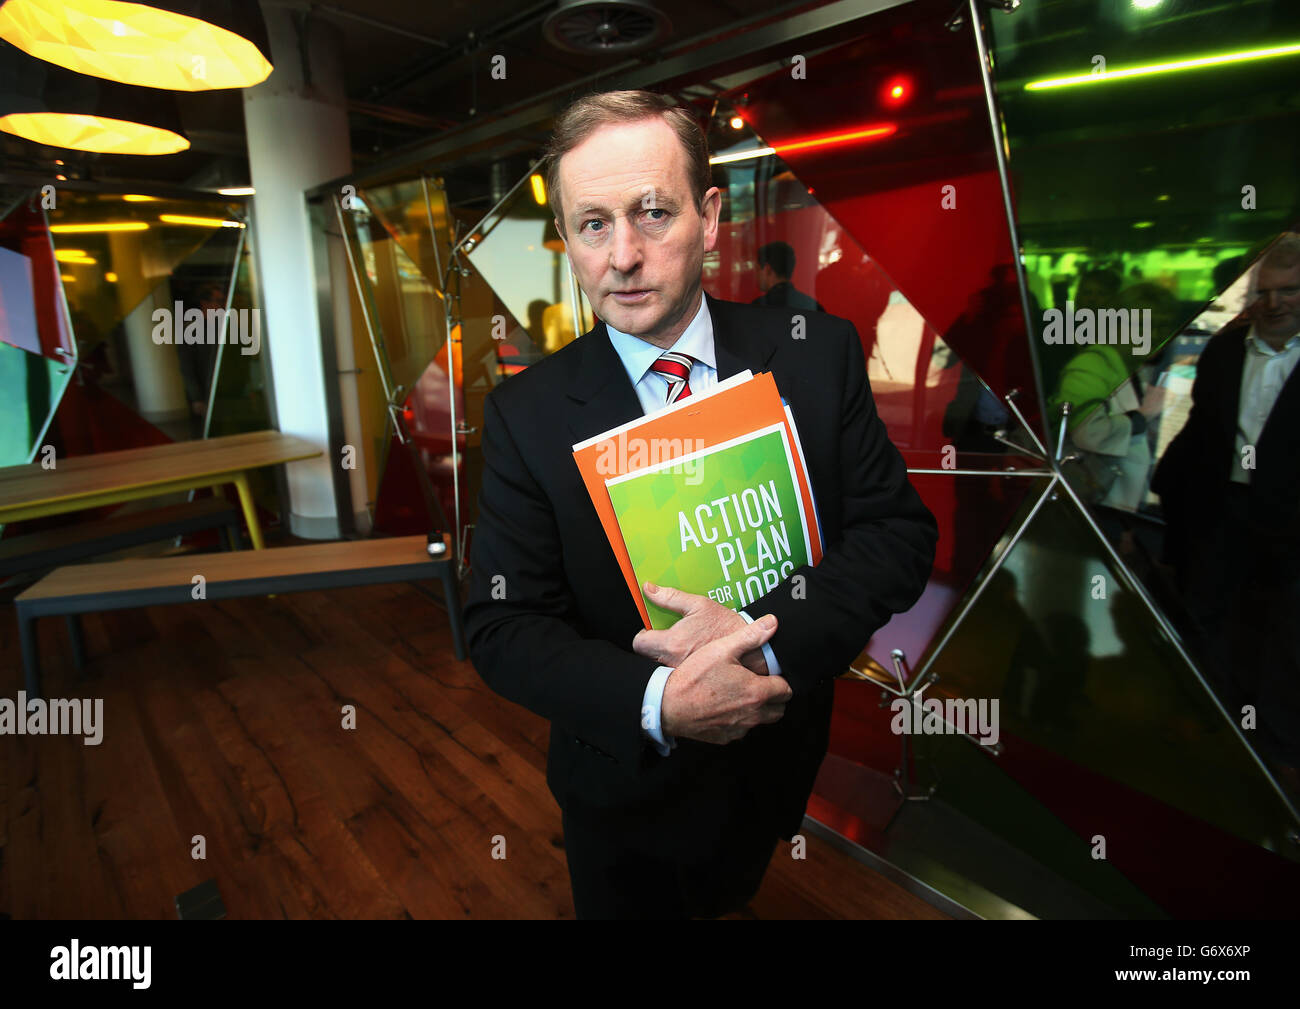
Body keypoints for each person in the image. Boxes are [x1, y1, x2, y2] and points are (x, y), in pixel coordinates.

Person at [463, 90, 937, 918]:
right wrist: (658, 702)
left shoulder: (817, 356)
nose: (623, 257)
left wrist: (764, 645)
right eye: (593, 225)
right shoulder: (525, 415)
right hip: (624, 788)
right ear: (569, 240)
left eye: (652, 212)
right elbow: (503, 626)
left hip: (778, 760)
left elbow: (895, 534)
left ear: (711, 217)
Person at [1152, 232, 1300, 783]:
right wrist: (1173, 496)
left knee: (1289, 634)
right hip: (1223, 509)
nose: (1276, 301)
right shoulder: (1225, 350)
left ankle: (1282, 747)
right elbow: (1200, 432)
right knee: (1206, 614)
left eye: (1290, 290)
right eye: (1267, 290)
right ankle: (1202, 722)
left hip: (1291, 522)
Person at [752, 240, 824, 312]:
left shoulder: (757, 308)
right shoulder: (814, 307)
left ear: (768, 269)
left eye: (757, 269)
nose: (756, 276)